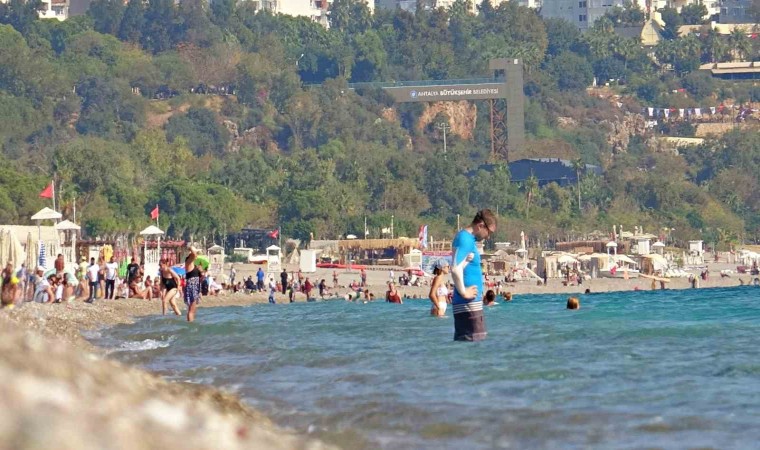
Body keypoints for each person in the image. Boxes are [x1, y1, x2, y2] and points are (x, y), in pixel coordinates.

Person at [451, 209, 497, 342]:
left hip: (470, 305)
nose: (488, 237)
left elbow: (459, 266)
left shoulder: (466, 239)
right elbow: (455, 268)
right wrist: (464, 292)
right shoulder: (465, 239)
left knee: (473, 350)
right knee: (474, 347)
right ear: (481, 225)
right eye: (489, 232)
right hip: (468, 305)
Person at [184, 246, 202, 322]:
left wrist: (200, 271)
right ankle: (190, 323)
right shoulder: (188, 261)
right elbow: (194, 253)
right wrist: (191, 248)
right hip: (192, 285)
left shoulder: (192, 264)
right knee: (191, 308)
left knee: (193, 308)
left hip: (194, 285)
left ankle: (191, 322)